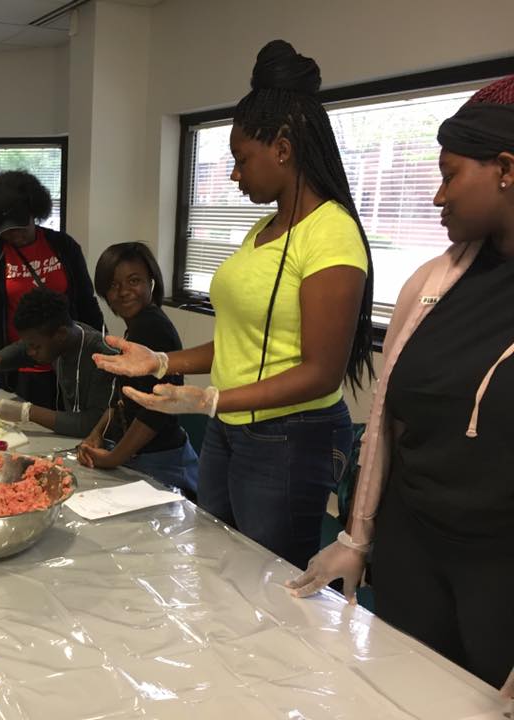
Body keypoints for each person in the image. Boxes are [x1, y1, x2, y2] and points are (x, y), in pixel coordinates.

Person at [95, 40, 374, 570]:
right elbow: (246, 340)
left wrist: (209, 402)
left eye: (241, 160)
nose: (234, 174)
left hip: (288, 437)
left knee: (265, 580)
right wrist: (161, 363)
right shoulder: (264, 230)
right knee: (216, 565)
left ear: (284, 149)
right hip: (233, 429)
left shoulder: (331, 234)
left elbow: (320, 372)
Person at [287, 75, 514, 700]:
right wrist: (357, 537)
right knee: (401, 695)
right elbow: (387, 417)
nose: (437, 196)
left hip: (499, 572)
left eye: (449, 174)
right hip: (414, 546)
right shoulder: (436, 280)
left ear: (506, 169)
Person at [0, 170, 104, 408]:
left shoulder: (63, 247)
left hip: (67, 360)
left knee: (70, 423)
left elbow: (86, 303)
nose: (16, 235)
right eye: (7, 230)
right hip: (17, 365)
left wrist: (103, 351)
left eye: (21, 226)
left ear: (35, 213)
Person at [77, 243, 199, 498]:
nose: (123, 292)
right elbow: (123, 396)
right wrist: (95, 434)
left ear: (151, 282)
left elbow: (155, 412)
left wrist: (112, 458)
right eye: (112, 285)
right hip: (139, 455)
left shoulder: (152, 328)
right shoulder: (137, 326)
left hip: (160, 460)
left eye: (134, 281)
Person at [0, 287, 115, 437]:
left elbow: (92, 425)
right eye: (29, 345)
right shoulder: (61, 337)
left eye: (35, 346)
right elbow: (21, 349)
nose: (30, 352)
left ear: (61, 334)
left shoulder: (103, 357)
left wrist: (28, 412)